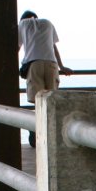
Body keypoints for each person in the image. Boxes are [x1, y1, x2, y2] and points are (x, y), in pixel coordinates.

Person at [19, 10, 73, 147]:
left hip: (34, 64)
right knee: (51, 100)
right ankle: (53, 135)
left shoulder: (23, 25)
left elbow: (16, 47)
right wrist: (62, 67)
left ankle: (34, 133)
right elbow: (53, 47)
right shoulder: (47, 23)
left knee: (38, 102)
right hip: (51, 64)